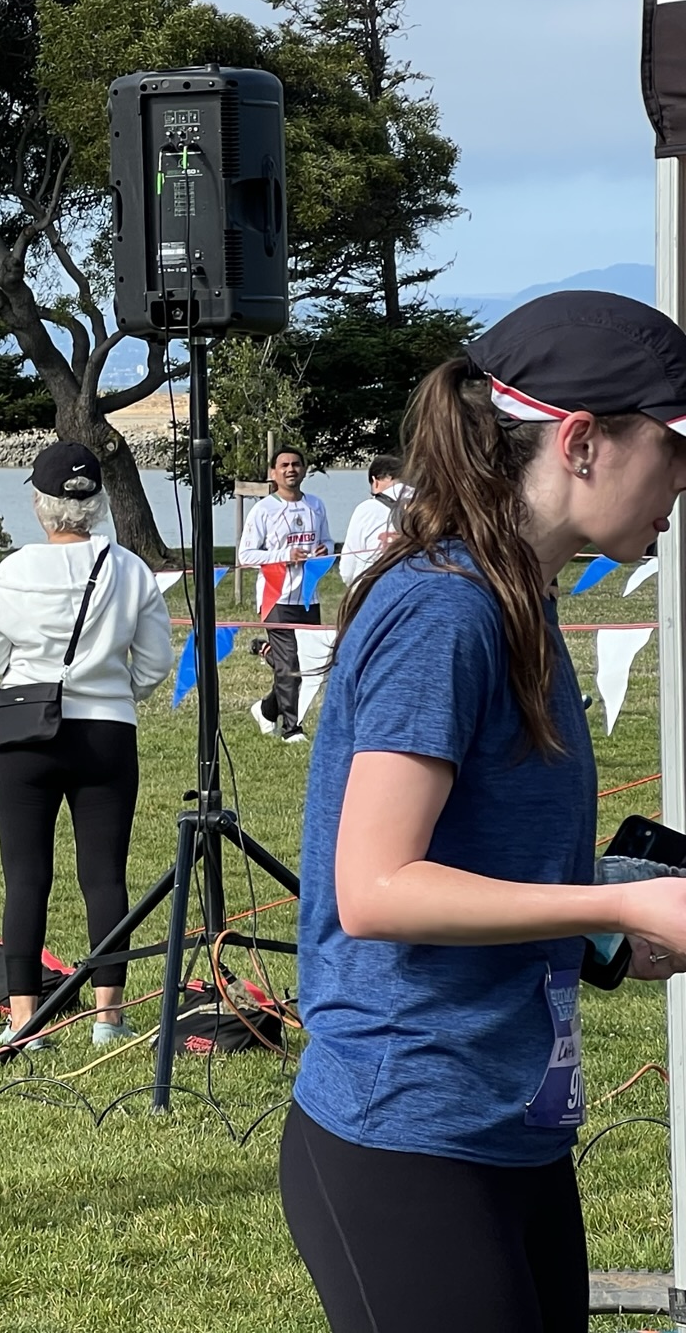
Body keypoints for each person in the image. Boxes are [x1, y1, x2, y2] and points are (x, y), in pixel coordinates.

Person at [281, 290, 686, 1333]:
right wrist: (634, 912)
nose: (682, 481)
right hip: (403, 1130)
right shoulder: (443, 610)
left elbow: (484, 859)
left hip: (511, 1123)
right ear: (581, 441)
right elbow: (373, 890)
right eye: (674, 447)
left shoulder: (518, 602)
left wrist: (604, 917)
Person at [0, 442, 173, 1049]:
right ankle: (109, 1016)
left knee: (26, 876)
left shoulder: (9, 573)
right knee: (105, 876)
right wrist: (111, 688)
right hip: (106, 731)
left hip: (25, 733)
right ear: (99, 504)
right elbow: (155, 660)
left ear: (41, 504)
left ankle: (24, 1015)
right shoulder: (128, 569)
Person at [237, 445, 334, 742]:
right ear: (273, 473)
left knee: (307, 664)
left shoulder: (316, 505)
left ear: (304, 469)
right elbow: (245, 555)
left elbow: (329, 543)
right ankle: (292, 729)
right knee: (290, 664)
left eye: (296, 464)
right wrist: (283, 555)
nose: (290, 469)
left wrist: (323, 551)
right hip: (275, 597)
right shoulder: (264, 509)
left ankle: (267, 710)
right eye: (284, 465)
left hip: (308, 598)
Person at [337, 453, 412, 585]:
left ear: (375, 481)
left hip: (374, 588)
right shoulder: (427, 504)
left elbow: (347, 569)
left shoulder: (367, 508)